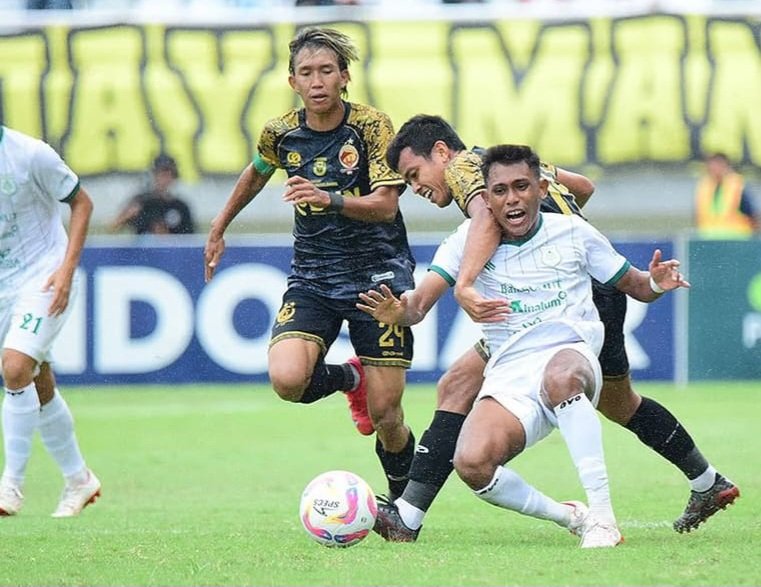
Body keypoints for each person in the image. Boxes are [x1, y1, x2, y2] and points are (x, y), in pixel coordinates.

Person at [368, 114, 739, 542]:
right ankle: (707, 480)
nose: (415, 187)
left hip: (566, 296)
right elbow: (583, 186)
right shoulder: (509, 164)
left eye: (414, 174)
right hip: (577, 286)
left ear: (440, 152)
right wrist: (557, 215)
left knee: (482, 386)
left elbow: (484, 217)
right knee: (614, 402)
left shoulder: (464, 169)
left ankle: (409, 515)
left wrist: (467, 283)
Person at [203, 27, 417, 500]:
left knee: (387, 415)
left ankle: (402, 505)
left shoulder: (371, 126)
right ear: (292, 81)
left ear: (344, 77)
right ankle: (350, 377)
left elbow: (386, 206)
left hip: (378, 276)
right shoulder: (281, 132)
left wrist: (328, 198)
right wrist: (219, 225)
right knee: (287, 380)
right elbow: (257, 171)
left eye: (326, 71)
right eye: (306, 72)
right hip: (314, 276)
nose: (317, 81)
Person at [0, 125, 101, 518]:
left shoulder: (30, 154)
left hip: (44, 275)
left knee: (15, 367)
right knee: (37, 381)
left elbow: (82, 203)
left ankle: (10, 485)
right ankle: (79, 479)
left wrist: (66, 271)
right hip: (4, 285)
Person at [111, 154, 195, 235]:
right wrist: (127, 215)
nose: (164, 179)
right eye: (161, 174)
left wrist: (165, 235)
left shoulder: (180, 207)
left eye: (168, 175)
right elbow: (113, 227)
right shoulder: (141, 202)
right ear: (154, 175)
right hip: (143, 245)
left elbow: (189, 239)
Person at [695, 152, 759, 239]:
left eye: (718, 164)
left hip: (736, 239)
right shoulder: (704, 186)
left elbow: (751, 214)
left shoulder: (737, 185)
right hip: (708, 239)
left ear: (726, 166)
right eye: (712, 165)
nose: (715, 168)